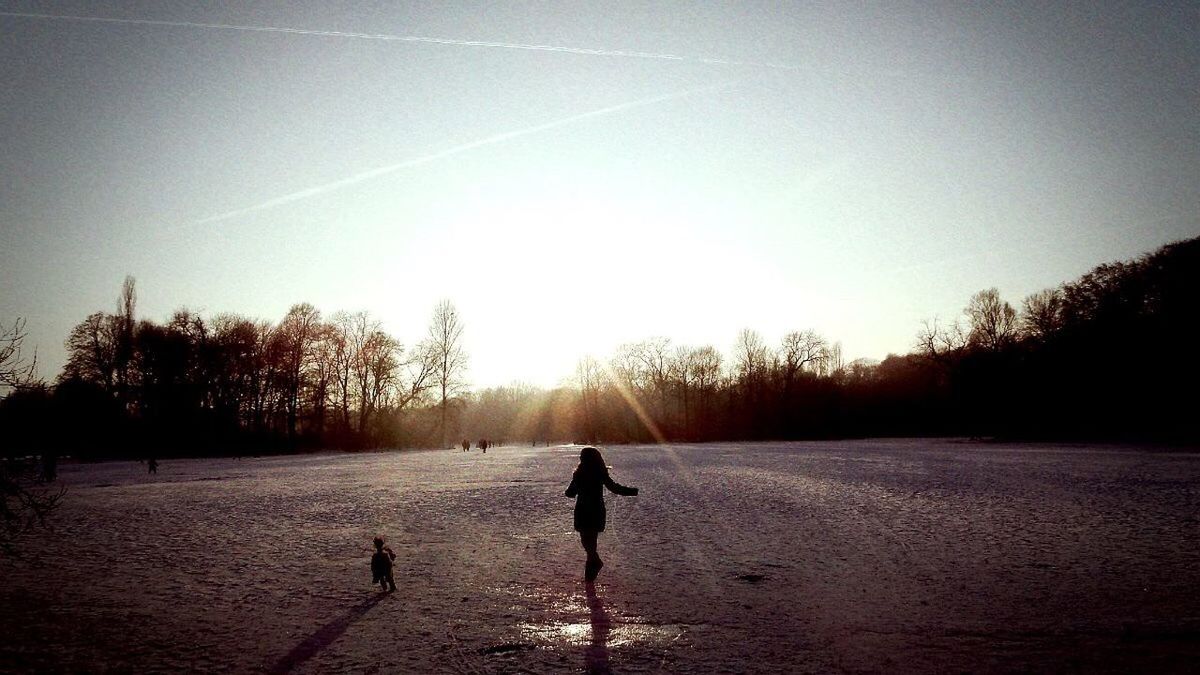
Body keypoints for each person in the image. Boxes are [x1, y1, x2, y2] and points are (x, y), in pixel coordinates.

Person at [564, 446, 638, 582]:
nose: (580, 458)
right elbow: (614, 488)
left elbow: (570, 493)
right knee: (590, 542)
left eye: (581, 456)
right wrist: (632, 491)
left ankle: (593, 568)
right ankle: (591, 572)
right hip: (596, 510)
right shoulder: (598, 473)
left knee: (587, 543)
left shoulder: (580, 474)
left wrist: (574, 487)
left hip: (583, 510)